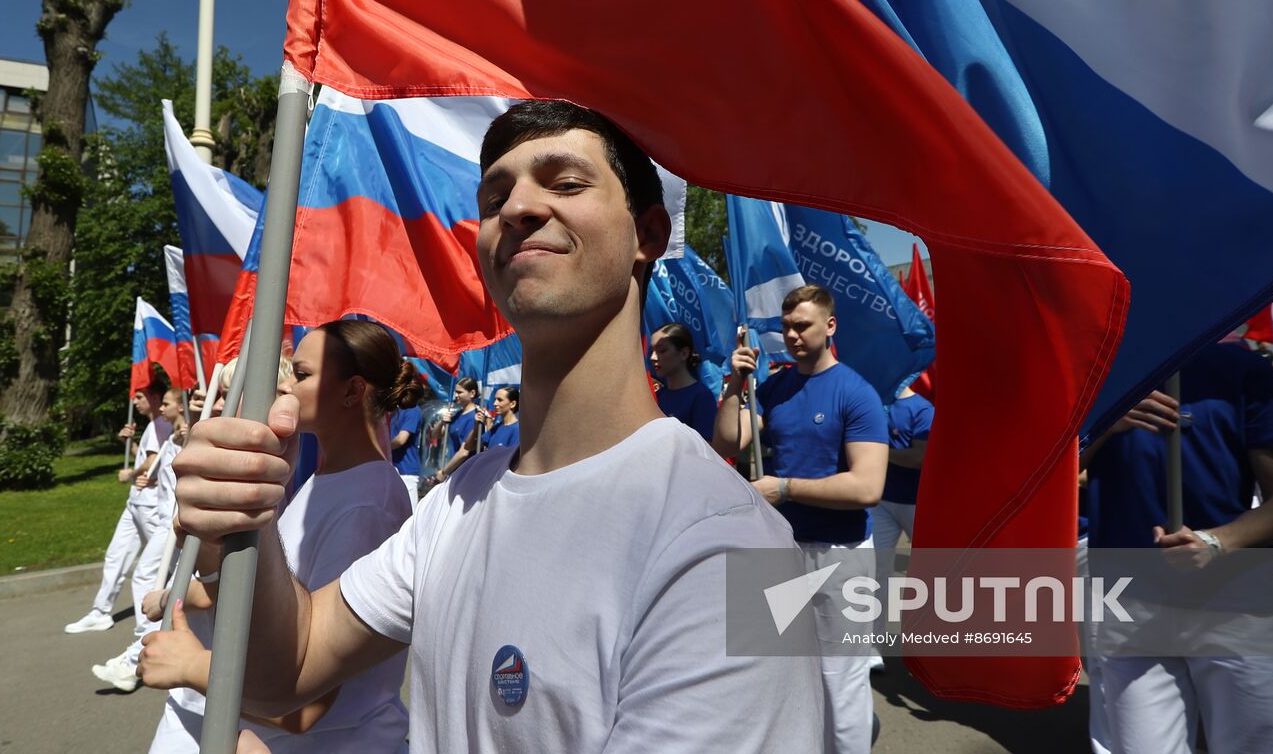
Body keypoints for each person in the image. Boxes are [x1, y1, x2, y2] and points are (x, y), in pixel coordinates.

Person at [171, 99, 823, 752]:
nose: (516, 209)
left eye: (566, 183)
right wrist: (246, 518)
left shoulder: (747, 551)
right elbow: (289, 669)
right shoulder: (453, 504)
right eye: (493, 198)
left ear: (648, 234)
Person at [138, 320, 420, 752]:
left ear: (352, 391)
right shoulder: (327, 481)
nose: (284, 385)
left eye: (302, 375)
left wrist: (192, 666)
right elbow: (277, 604)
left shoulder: (368, 502)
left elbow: (303, 708)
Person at [1082, 343, 1273, 754]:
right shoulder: (1091, 372)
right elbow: (1043, 477)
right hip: (1124, 602)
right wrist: (1102, 425)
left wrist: (1216, 542)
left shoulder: (1243, 369)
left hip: (1237, 603)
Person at [713, 283, 889, 754]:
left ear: (829, 326)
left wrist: (785, 488)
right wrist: (734, 384)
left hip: (841, 555)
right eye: (787, 326)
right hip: (780, 552)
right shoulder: (775, 387)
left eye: (802, 325)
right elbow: (729, 443)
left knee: (841, 681)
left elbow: (868, 487)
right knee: (780, 673)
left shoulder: (857, 393)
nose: (791, 335)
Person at [92, 386, 190, 691]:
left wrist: (136, 474)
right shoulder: (172, 435)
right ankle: (140, 651)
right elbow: (162, 467)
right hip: (165, 518)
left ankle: (139, 652)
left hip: (174, 522)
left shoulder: (186, 435)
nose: (162, 408)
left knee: (150, 577)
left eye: (169, 403)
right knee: (155, 578)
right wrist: (147, 473)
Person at [65, 382, 172, 634]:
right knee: (116, 556)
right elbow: (148, 457)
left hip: (150, 505)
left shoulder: (162, 424)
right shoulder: (153, 425)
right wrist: (132, 442)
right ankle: (100, 611)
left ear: (155, 397)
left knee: (160, 567)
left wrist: (131, 473)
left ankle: (153, 628)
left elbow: (153, 461)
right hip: (135, 503)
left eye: (139, 396)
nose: (135, 401)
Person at [871, 384, 933, 632]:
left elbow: (919, 458)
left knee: (929, 572)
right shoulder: (872, 403)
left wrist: (877, 452)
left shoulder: (923, 409)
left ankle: (930, 641)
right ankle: (873, 645)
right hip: (881, 503)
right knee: (876, 572)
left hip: (918, 504)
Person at [650, 321, 717, 441]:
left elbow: (706, 449)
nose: (653, 357)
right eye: (652, 351)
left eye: (662, 350)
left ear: (684, 353)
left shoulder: (701, 396)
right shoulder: (657, 396)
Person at [387, 395, 424, 510]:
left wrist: (381, 448)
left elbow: (401, 439)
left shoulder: (413, 410)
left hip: (406, 473)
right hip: (391, 470)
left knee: (408, 518)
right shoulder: (393, 411)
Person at [479, 385, 521, 450]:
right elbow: (478, 444)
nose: (495, 403)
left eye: (500, 400)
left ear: (512, 404)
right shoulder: (497, 427)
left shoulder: (517, 430)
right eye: (495, 399)